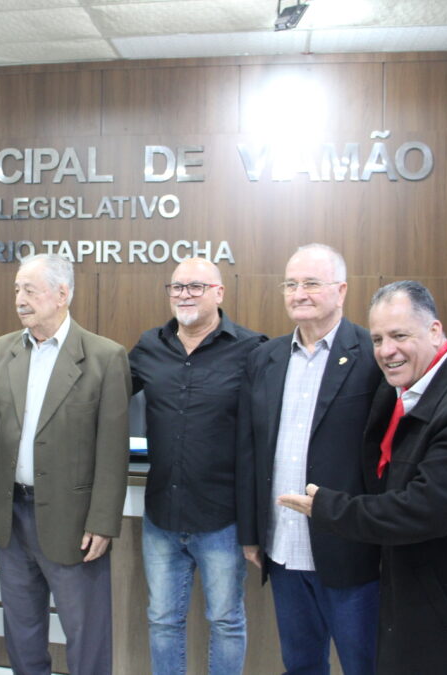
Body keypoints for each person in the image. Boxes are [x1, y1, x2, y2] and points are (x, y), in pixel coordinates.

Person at [279, 280, 447, 674]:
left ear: (434, 331)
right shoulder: (401, 390)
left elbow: (422, 511)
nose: (387, 351)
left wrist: (329, 508)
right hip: (421, 606)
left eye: (400, 336)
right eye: (378, 339)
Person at [0, 253, 130, 675]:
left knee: (86, 630)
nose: (19, 299)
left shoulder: (104, 357)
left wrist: (103, 522)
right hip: (11, 515)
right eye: (16, 290)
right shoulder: (4, 349)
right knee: (21, 628)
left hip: (75, 521)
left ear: (62, 294)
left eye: (30, 290)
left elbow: (113, 450)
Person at [240, 245, 380, 675]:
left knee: (363, 664)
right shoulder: (265, 357)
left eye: (311, 284)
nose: (299, 293)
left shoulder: (372, 354)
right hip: (283, 548)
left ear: (341, 290)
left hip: (350, 550)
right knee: (300, 664)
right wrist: (251, 533)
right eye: (291, 284)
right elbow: (249, 449)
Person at [129, 258, 266, 675]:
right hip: (161, 516)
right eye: (177, 287)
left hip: (222, 519)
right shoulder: (149, 346)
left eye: (195, 287)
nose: (184, 294)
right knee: (162, 620)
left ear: (219, 293)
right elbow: (98, 386)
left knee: (226, 621)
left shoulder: (252, 349)